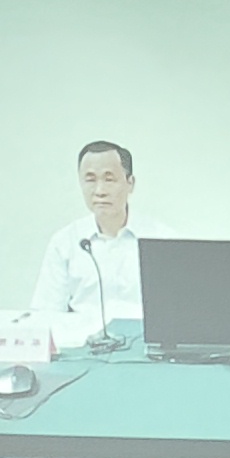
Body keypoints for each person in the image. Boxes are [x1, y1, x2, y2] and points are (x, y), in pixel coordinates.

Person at [29, 136, 161, 342]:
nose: (99, 191)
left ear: (130, 183)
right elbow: (46, 313)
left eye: (109, 179)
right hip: (83, 346)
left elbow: (176, 312)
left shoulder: (161, 239)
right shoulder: (65, 242)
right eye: (90, 180)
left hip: (143, 347)